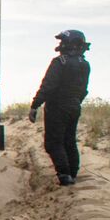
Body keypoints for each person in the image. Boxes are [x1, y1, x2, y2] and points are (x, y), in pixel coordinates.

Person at [28, 29, 90, 186]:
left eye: (63, 41)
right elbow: (83, 90)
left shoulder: (59, 62)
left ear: (70, 43)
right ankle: (72, 173)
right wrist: (75, 102)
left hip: (57, 107)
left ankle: (64, 175)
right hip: (74, 106)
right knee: (69, 140)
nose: (60, 44)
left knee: (53, 142)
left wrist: (35, 105)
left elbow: (47, 86)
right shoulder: (85, 64)